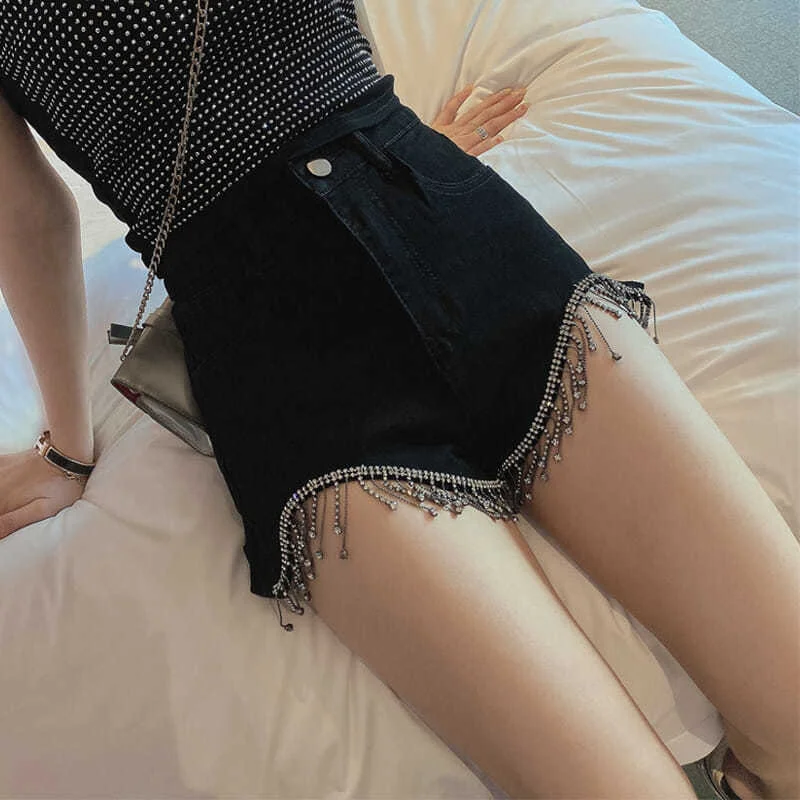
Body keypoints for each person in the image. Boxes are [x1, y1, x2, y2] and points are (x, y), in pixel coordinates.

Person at [0, 3, 797, 798]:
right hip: (288, 366)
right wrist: (68, 449)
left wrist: (380, 118)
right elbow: (26, 217)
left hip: (458, 227)